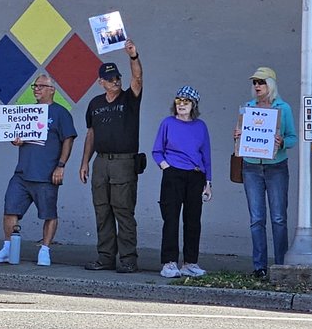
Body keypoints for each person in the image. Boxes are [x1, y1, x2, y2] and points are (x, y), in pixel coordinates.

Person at [0, 74, 76, 266]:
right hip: (22, 173)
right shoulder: (28, 112)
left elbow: (68, 140)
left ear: (52, 90)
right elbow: (15, 136)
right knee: (10, 209)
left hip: (46, 174)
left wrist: (60, 166)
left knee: (49, 214)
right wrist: (15, 139)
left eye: (41, 86)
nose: (37, 89)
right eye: (34, 86)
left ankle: (45, 250)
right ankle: (8, 248)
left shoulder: (61, 113)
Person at [79, 41, 143, 273]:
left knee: (123, 210)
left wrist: (133, 57)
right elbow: (91, 133)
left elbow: (137, 80)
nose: (116, 81)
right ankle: (105, 257)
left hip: (124, 162)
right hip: (101, 162)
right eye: (111, 78)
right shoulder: (95, 103)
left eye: (117, 77)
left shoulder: (129, 98)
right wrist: (85, 161)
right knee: (102, 210)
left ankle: (128, 259)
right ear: (101, 82)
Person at [233, 66, 297, 280]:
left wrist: (282, 142)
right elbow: (242, 138)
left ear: (271, 84)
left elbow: (293, 138)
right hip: (251, 166)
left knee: (279, 218)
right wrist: (238, 135)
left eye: (261, 82)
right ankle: (259, 266)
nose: (257, 86)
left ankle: (280, 265)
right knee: (256, 218)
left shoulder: (283, 108)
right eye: (254, 82)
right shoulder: (248, 108)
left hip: (276, 166)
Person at [153, 86, 213, 278]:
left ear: (193, 105)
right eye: (179, 101)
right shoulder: (167, 123)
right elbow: (157, 150)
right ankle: (169, 263)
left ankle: (190, 262)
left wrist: (208, 182)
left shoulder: (200, 126)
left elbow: (206, 155)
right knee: (170, 218)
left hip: (195, 175)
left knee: (193, 220)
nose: (181, 105)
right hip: (173, 174)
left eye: (186, 101)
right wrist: (166, 168)